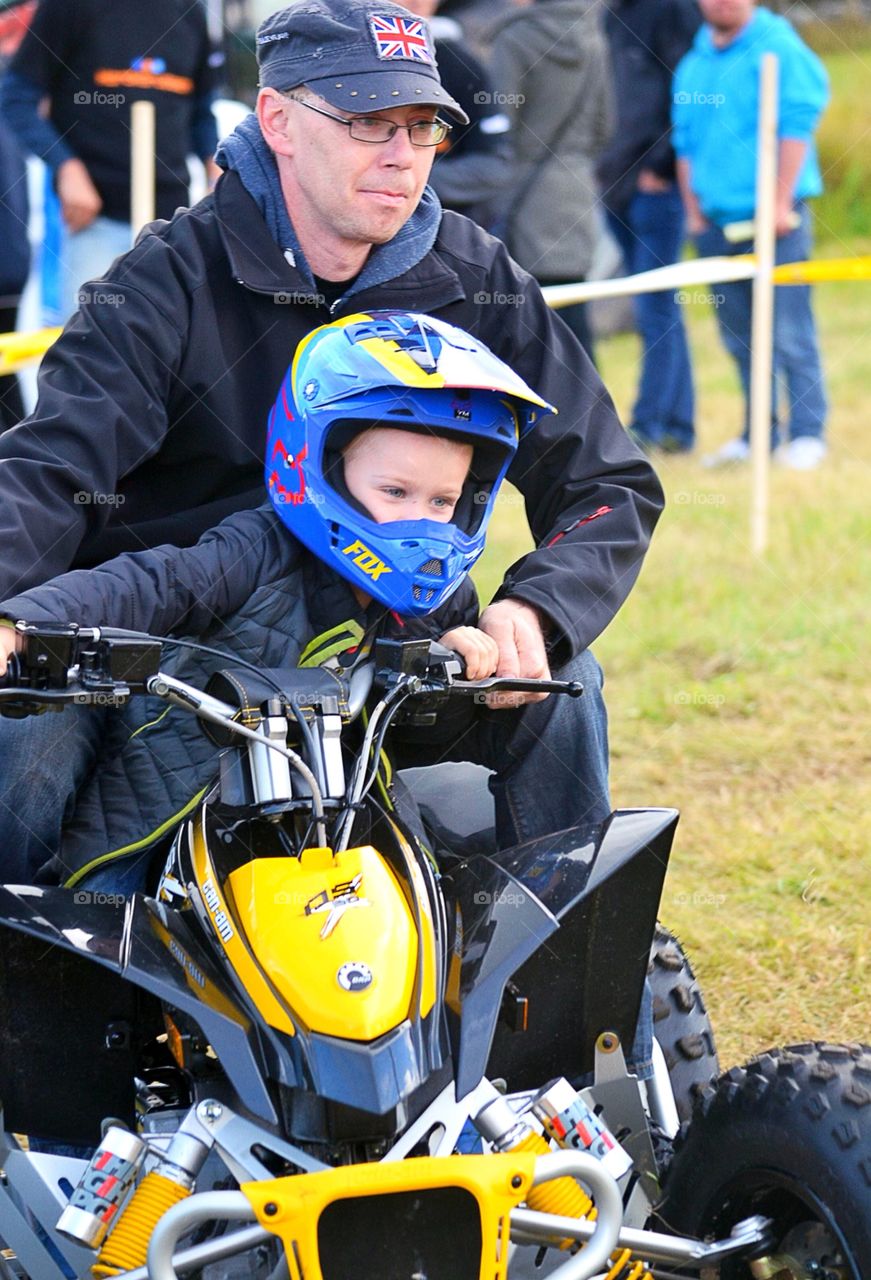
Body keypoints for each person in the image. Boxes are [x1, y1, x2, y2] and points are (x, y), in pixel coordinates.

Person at [0, 0, 663, 1031]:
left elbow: (610, 481)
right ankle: (41, 1038)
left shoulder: (477, 278)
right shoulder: (162, 283)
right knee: (20, 723)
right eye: (368, 123)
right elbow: (49, 475)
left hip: (396, 645)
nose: (403, 156)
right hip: (169, 646)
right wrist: (12, 620)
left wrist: (535, 610)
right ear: (275, 117)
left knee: (559, 684)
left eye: (423, 128)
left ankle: (550, 1034)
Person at [672, 0, 830, 470]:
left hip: (777, 223)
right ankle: (758, 432)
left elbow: (798, 124)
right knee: (739, 337)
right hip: (717, 225)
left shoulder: (778, 46)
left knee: (789, 330)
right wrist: (695, 213)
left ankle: (807, 433)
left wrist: (780, 203)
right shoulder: (693, 61)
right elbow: (686, 143)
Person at [0, 0, 219, 318]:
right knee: (90, 351)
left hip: (172, 224)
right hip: (95, 219)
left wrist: (215, 171)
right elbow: (17, 97)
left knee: (171, 350)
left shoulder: (190, 10)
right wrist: (66, 167)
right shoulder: (69, 7)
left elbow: (201, 111)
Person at [597, 0, 701, 454]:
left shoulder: (675, 10)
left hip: (656, 186)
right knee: (656, 304)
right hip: (613, 180)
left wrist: (662, 163)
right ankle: (676, 424)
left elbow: (688, 92)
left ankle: (652, 424)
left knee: (655, 304)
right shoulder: (611, 15)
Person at [486, 0, 615, 362]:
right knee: (575, 328)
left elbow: (497, 125)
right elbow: (606, 125)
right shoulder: (594, 35)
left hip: (523, 194)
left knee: (525, 330)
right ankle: (589, 414)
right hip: (576, 189)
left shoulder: (515, 38)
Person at [393, 0, 512, 227]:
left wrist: (410, 178)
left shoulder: (461, 66)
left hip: (438, 229)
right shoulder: (343, 62)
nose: (417, 1)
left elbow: (494, 164)